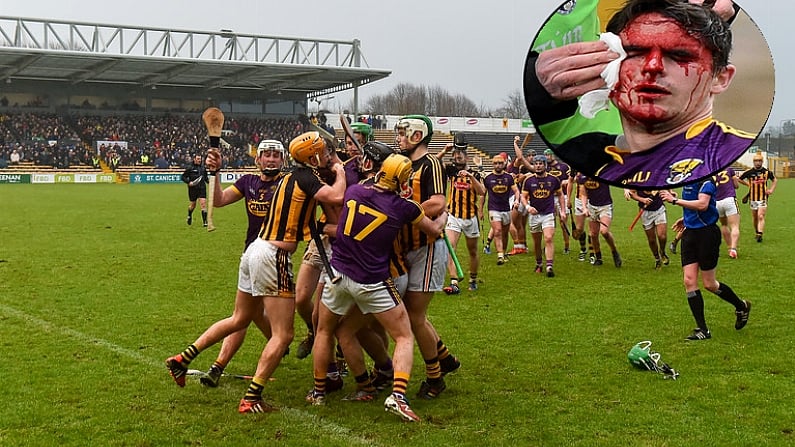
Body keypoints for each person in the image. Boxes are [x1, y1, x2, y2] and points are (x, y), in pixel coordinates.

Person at [165, 131, 346, 415]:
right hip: (273, 254)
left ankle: (182, 358)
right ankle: (251, 398)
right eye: (320, 153)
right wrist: (340, 170)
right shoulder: (305, 178)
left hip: (254, 250)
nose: (325, 157)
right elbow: (337, 195)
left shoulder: (286, 180)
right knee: (283, 335)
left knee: (240, 318)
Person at [526, 0, 754, 189]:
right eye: (636, 52)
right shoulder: (590, 158)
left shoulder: (728, 151)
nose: (652, 65)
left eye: (678, 55)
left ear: (720, 78)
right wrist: (532, 83)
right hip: (582, 144)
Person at [306, 153, 448, 422]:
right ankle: (398, 396)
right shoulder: (404, 207)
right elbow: (433, 230)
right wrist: (443, 220)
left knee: (326, 330)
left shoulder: (354, 190)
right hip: (371, 280)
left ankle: (318, 392)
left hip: (338, 273)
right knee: (404, 336)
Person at [197, 140, 285, 387]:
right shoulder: (248, 182)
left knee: (248, 315)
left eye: (276, 156)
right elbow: (221, 200)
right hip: (250, 256)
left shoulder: (288, 184)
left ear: (283, 160)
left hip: (275, 257)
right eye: (266, 155)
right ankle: (219, 365)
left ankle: (276, 343)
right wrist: (215, 173)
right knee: (245, 315)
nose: (270, 160)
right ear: (257, 159)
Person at [394, 114, 461, 400]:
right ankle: (444, 358)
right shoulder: (401, 165)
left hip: (427, 246)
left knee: (413, 316)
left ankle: (435, 378)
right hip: (404, 247)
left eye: (402, 133)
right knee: (413, 315)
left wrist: (402, 211)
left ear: (417, 136)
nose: (397, 138)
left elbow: (438, 202)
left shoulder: (430, 163)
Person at [660, 179, 751, 340]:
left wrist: (674, 200)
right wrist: (686, 218)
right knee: (689, 281)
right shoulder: (688, 181)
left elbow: (703, 204)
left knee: (709, 284)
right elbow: (693, 204)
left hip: (707, 234)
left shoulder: (706, 182)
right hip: (690, 233)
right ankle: (703, 329)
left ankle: (741, 306)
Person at [436, 133, 486, 293]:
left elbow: (482, 192)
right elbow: (433, 164)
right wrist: (444, 151)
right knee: (450, 247)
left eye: (460, 155)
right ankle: (454, 281)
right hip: (454, 216)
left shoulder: (474, 174)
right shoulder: (451, 171)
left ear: (466, 157)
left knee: (472, 251)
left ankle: (472, 278)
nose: (457, 157)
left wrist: (471, 176)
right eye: (455, 154)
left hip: (470, 218)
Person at [521, 155, 566, 277]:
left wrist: (562, 211)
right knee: (537, 243)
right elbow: (523, 196)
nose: (538, 165)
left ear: (545, 165)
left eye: (541, 163)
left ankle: (549, 266)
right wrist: (528, 207)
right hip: (534, 215)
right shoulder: (529, 180)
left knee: (548, 238)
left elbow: (560, 195)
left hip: (548, 214)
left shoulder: (553, 180)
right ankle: (539, 262)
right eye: (536, 163)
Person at [483, 153, 523, 266]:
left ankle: (503, 253)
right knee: (497, 231)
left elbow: (516, 191)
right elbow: (482, 194)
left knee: (505, 233)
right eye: (496, 163)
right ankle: (500, 254)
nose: (498, 165)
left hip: (506, 208)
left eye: (500, 163)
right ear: (492, 164)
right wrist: (480, 210)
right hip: (493, 208)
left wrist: (517, 200)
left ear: (504, 163)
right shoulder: (488, 178)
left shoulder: (508, 177)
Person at [578, 174, 622, 267]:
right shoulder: (582, 178)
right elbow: (583, 194)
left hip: (605, 206)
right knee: (593, 234)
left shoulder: (604, 175)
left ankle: (614, 252)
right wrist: (585, 208)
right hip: (592, 206)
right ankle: (598, 257)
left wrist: (626, 189)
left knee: (604, 231)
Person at [739, 152, 777, 243]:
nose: (758, 162)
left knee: (760, 216)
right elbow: (739, 179)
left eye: (759, 161)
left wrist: (771, 190)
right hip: (752, 198)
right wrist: (748, 184)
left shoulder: (767, 172)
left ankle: (760, 234)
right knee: (755, 217)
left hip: (763, 198)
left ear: (762, 161)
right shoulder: (749, 172)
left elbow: (775, 180)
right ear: (753, 162)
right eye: (756, 161)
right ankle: (757, 232)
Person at [627, 189, 669, 269]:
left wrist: (669, 192)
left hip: (659, 209)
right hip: (645, 212)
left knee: (662, 236)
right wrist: (642, 199)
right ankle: (657, 259)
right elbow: (632, 193)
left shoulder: (656, 178)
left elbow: (665, 184)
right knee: (652, 240)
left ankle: (662, 251)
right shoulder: (639, 179)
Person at [713, 167, 741, 257]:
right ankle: (733, 248)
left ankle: (729, 247)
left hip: (717, 202)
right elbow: (736, 185)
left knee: (724, 225)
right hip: (729, 199)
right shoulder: (729, 169)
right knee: (734, 226)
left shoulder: (711, 170)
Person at [180, 153, 208, 226]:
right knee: (193, 205)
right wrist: (189, 182)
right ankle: (189, 215)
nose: (199, 160)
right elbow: (183, 177)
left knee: (203, 204)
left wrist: (210, 183)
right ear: (194, 159)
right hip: (193, 189)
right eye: (198, 159)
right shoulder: (190, 168)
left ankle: (205, 222)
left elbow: (205, 178)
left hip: (202, 188)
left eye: (200, 159)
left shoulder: (203, 168)